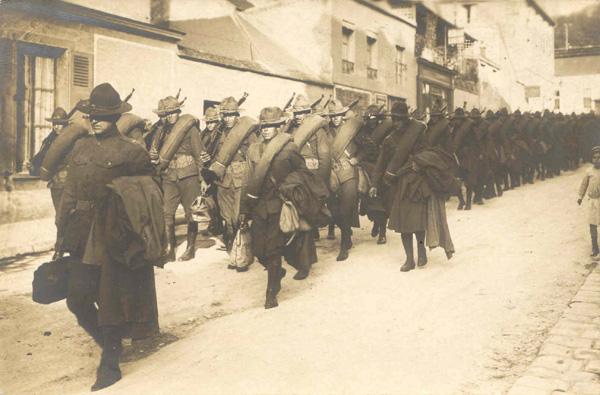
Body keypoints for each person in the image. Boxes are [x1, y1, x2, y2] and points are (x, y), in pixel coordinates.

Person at [56, 83, 161, 391]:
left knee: (110, 298)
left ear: (115, 116)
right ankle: (109, 344)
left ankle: (110, 364)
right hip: (81, 229)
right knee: (76, 297)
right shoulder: (80, 147)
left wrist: (125, 211)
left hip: (114, 233)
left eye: (102, 116)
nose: (95, 121)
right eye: (91, 115)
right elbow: (70, 191)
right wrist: (61, 229)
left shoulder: (132, 151)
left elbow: (150, 193)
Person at [241, 107, 315, 308]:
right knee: (258, 250)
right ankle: (278, 273)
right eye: (263, 126)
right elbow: (247, 180)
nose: (266, 130)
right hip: (258, 206)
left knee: (273, 250)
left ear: (279, 127)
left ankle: (271, 293)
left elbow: (303, 172)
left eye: (271, 126)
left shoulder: (288, 148)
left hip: (279, 205)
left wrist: (287, 185)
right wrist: (242, 210)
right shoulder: (253, 150)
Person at [149, 95, 210, 262]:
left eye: (173, 112)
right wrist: (153, 156)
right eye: (167, 113)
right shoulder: (161, 132)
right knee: (167, 212)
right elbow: (154, 153)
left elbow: (199, 156)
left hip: (188, 175)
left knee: (192, 213)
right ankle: (169, 248)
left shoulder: (190, 130)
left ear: (178, 111)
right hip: (169, 176)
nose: (170, 116)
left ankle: (190, 249)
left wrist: (202, 178)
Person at [212, 97, 257, 258]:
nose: (227, 119)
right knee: (227, 218)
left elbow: (255, 154)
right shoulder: (218, 133)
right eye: (225, 115)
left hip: (240, 179)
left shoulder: (247, 132)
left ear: (237, 115)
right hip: (223, 180)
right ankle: (233, 248)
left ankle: (244, 251)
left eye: (231, 115)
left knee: (238, 217)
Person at [326, 99, 369, 261]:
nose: (335, 118)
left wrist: (358, 158)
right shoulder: (325, 132)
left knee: (345, 209)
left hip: (349, 173)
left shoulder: (351, 131)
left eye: (338, 115)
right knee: (333, 210)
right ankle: (346, 232)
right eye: (333, 115)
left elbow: (368, 147)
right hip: (331, 174)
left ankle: (344, 245)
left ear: (343, 115)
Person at [27, 107, 72, 261]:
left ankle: (63, 248)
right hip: (56, 184)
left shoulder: (71, 141)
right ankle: (62, 248)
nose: (56, 127)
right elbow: (42, 158)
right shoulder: (50, 140)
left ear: (65, 125)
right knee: (60, 217)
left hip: (71, 184)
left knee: (66, 217)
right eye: (54, 124)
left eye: (59, 124)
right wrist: (33, 166)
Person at [286, 94, 331, 240]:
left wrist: (320, 182)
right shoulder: (291, 131)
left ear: (308, 113)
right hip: (294, 175)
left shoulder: (318, 132)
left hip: (312, 175)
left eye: (301, 113)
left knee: (310, 208)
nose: (298, 116)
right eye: (296, 113)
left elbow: (324, 158)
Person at [578, 146, 600, 257]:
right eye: (595, 158)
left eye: (599, 157)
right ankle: (595, 247)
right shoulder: (589, 172)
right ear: (592, 159)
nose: (597, 160)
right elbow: (583, 186)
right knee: (592, 223)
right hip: (593, 201)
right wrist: (580, 196)